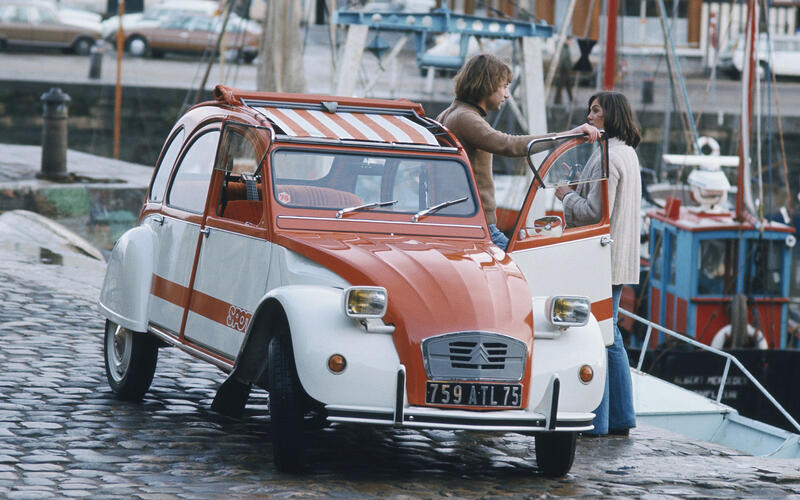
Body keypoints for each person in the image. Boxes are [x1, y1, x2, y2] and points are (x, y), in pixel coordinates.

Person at [437, 53, 600, 250]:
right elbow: (508, 144)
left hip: (464, 221)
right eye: (504, 86)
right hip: (479, 227)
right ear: (487, 84)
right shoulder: (466, 118)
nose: (507, 95)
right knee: (525, 272)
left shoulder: (448, 114)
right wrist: (568, 135)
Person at [555, 91, 641, 436]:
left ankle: (597, 421)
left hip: (599, 259)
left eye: (595, 110)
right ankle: (620, 417)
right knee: (612, 336)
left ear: (610, 116)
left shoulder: (605, 156)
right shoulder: (628, 154)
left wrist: (566, 195)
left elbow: (593, 212)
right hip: (619, 257)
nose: (589, 116)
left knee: (599, 338)